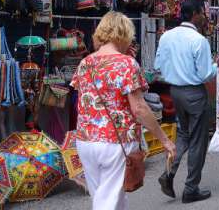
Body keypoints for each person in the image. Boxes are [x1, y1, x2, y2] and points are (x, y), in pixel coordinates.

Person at [72, 11, 176, 210]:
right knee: (107, 202)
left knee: (107, 197)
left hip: (86, 140)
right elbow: (139, 108)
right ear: (124, 34)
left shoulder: (86, 63)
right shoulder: (126, 64)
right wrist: (164, 139)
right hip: (115, 142)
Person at [155, 0, 216, 203]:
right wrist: (217, 66)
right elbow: (207, 74)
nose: (205, 17)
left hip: (175, 91)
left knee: (183, 133)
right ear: (195, 14)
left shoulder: (166, 36)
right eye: (203, 13)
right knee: (198, 139)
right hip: (194, 92)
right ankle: (191, 188)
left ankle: (169, 173)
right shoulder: (198, 40)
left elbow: (158, 64)